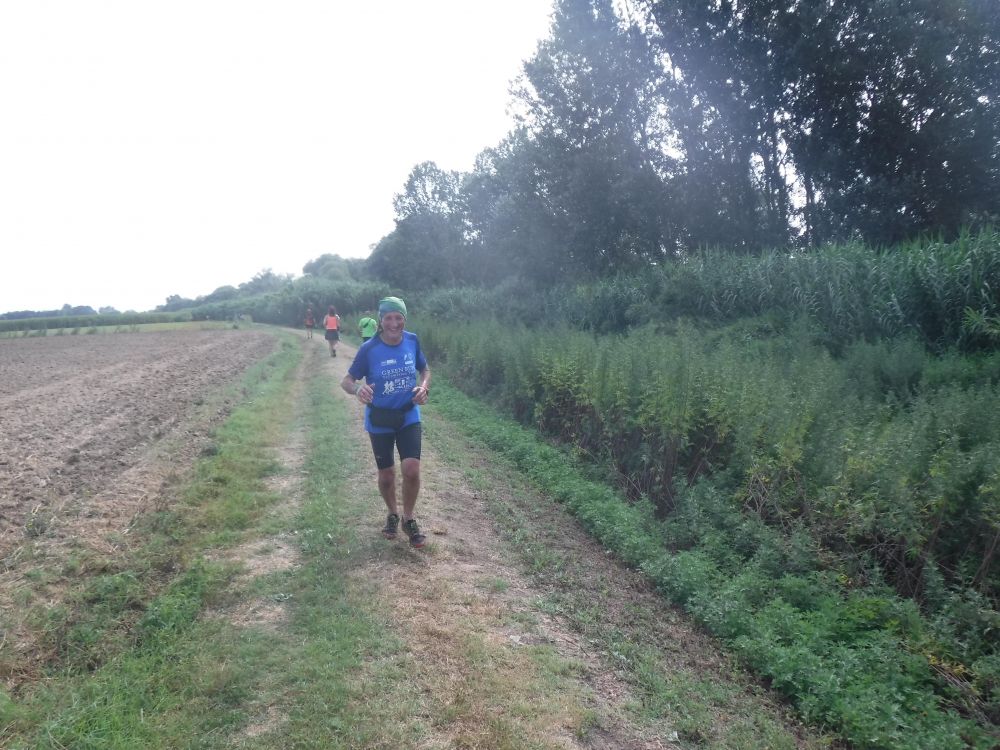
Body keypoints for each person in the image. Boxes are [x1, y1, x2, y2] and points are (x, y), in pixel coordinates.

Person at [341, 296, 431, 548]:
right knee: (387, 475)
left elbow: (425, 370)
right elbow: (346, 381)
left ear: (404, 319)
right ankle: (392, 513)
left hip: (408, 415)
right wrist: (358, 389)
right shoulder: (369, 349)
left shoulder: (412, 341)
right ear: (380, 321)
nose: (393, 323)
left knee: (411, 470)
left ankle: (408, 518)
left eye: (398, 318)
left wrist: (424, 387)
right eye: (388, 318)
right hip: (380, 418)